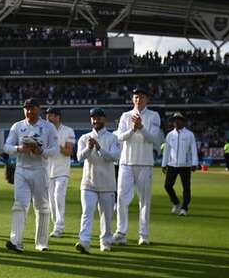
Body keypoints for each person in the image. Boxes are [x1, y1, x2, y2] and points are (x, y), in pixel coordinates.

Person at [3, 99, 58, 253]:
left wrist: (40, 151)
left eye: (32, 108)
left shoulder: (48, 127)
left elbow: (54, 150)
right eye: (26, 108)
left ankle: (41, 243)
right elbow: (7, 147)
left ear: (38, 109)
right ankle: (16, 241)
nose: (29, 111)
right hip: (21, 170)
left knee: (42, 206)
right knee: (19, 205)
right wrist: (19, 149)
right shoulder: (18, 126)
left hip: (40, 169)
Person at [113, 85, 162, 246]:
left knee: (145, 200)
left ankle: (144, 234)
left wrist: (141, 127)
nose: (138, 99)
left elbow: (154, 139)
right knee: (121, 198)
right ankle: (121, 232)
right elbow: (120, 137)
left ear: (147, 99)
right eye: (136, 97)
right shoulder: (125, 116)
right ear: (132, 99)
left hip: (145, 163)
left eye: (141, 97)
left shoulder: (154, 116)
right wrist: (133, 129)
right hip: (126, 162)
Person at [75, 108, 121, 253]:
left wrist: (99, 148)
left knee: (106, 217)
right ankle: (84, 241)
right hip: (88, 183)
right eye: (93, 118)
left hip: (107, 184)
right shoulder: (84, 138)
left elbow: (114, 157)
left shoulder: (113, 138)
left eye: (98, 118)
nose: (95, 121)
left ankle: (106, 242)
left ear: (104, 119)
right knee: (87, 212)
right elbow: (79, 158)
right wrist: (89, 148)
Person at [45, 107, 75, 237]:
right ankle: (56, 226)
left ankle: (59, 226)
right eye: (46, 115)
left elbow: (68, 152)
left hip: (62, 171)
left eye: (50, 115)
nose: (47, 118)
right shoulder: (44, 131)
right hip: (47, 171)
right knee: (51, 201)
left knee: (58, 197)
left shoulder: (68, 131)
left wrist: (55, 142)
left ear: (57, 117)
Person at [162, 112, 198, 216]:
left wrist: (194, 163)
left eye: (178, 119)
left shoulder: (189, 134)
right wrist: (164, 164)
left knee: (186, 188)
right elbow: (167, 151)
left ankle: (184, 208)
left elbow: (193, 150)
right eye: (174, 120)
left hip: (185, 165)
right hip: (172, 164)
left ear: (183, 121)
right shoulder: (170, 135)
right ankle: (176, 203)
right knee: (167, 186)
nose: (176, 122)